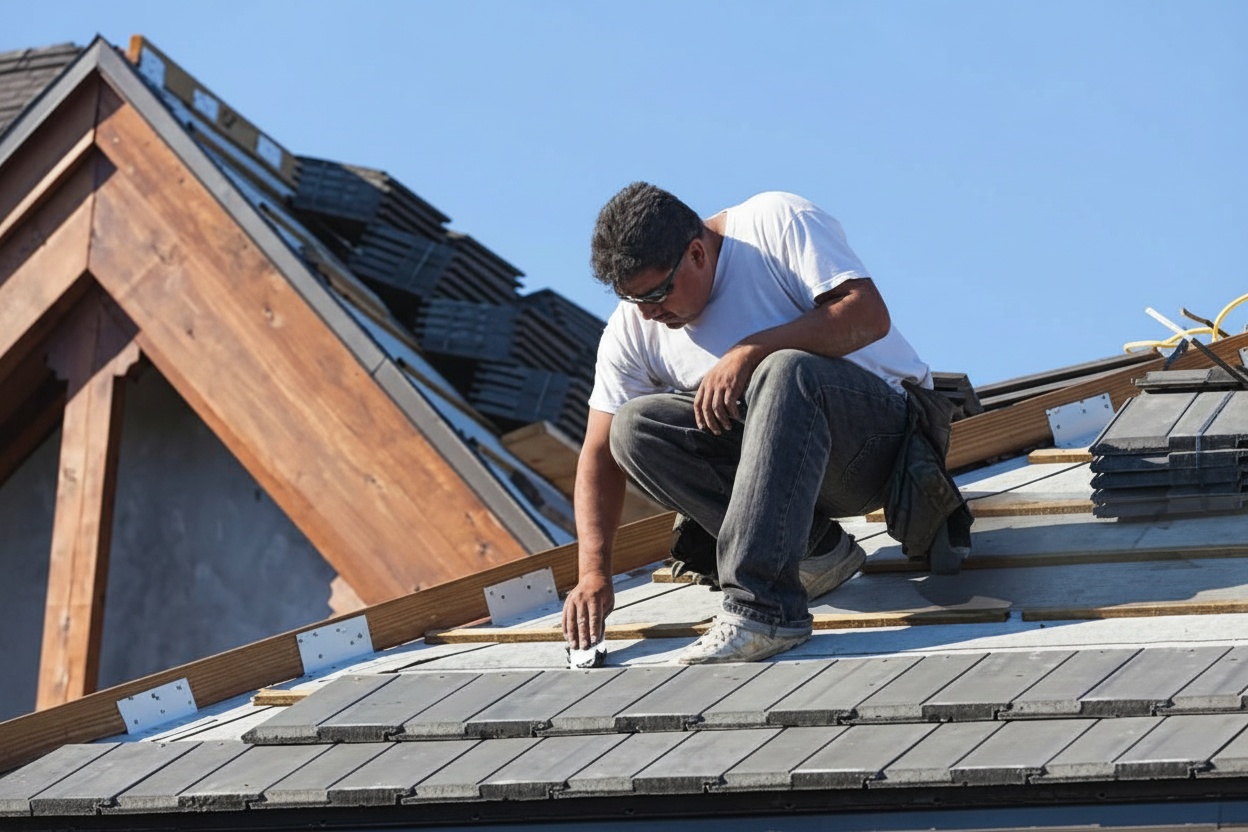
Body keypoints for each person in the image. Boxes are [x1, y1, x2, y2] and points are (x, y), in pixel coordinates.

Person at [561, 183, 934, 664]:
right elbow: (598, 454)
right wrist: (594, 573)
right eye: (636, 300)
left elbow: (868, 314)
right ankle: (813, 555)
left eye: (656, 293)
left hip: (882, 448)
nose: (650, 313)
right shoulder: (635, 328)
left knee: (784, 370)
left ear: (696, 253)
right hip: (791, 479)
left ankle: (766, 611)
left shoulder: (773, 225)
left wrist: (752, 350)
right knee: (633, 429)